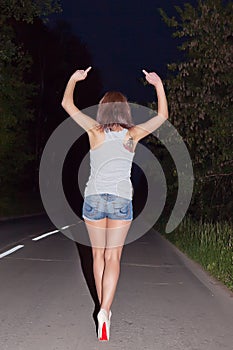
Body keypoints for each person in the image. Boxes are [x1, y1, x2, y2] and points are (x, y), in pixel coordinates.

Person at [61, 67, 168, 341]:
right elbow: (163, 116)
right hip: (121, 200)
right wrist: (157, 85)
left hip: (94, 199)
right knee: (114, 257)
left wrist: (74, 79)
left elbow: (66, 104)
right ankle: (105, 309)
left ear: (103, 111)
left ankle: (102, 308)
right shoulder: (132, 135)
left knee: (97, 256)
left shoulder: (94, 131)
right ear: (125, 113)